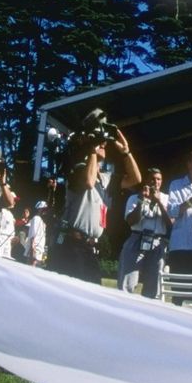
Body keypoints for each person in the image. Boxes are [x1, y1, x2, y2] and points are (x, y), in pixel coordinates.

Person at [49, 116, 140, 284]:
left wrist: (126, 152)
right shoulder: (78, 169)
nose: (104, 145)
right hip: (72, 243)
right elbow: (89, 182)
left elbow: (136, 179)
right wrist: (91, 148)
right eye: (100, 144)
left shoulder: (106, 178)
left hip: (90, 247)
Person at [117, 167, 170, 297]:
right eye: (152, 179)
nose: (155, 182)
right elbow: (130, 222)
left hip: (158, 241)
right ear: (146, 180)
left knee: (154, 288)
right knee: (127, 283)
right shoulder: (134, 198)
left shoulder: (167, 198)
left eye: (158, 179)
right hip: (137, 238)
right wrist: (141, 202)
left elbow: (170, 223)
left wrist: (158, 202)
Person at [24, 200, 49, 267]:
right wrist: (33, 248)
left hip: (39, 249)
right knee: (31, 265)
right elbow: (33, 234)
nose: (46, 211)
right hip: (35, 248)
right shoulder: (36, 218)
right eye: (44, 209)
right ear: (39, 209)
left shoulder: (41, 220)